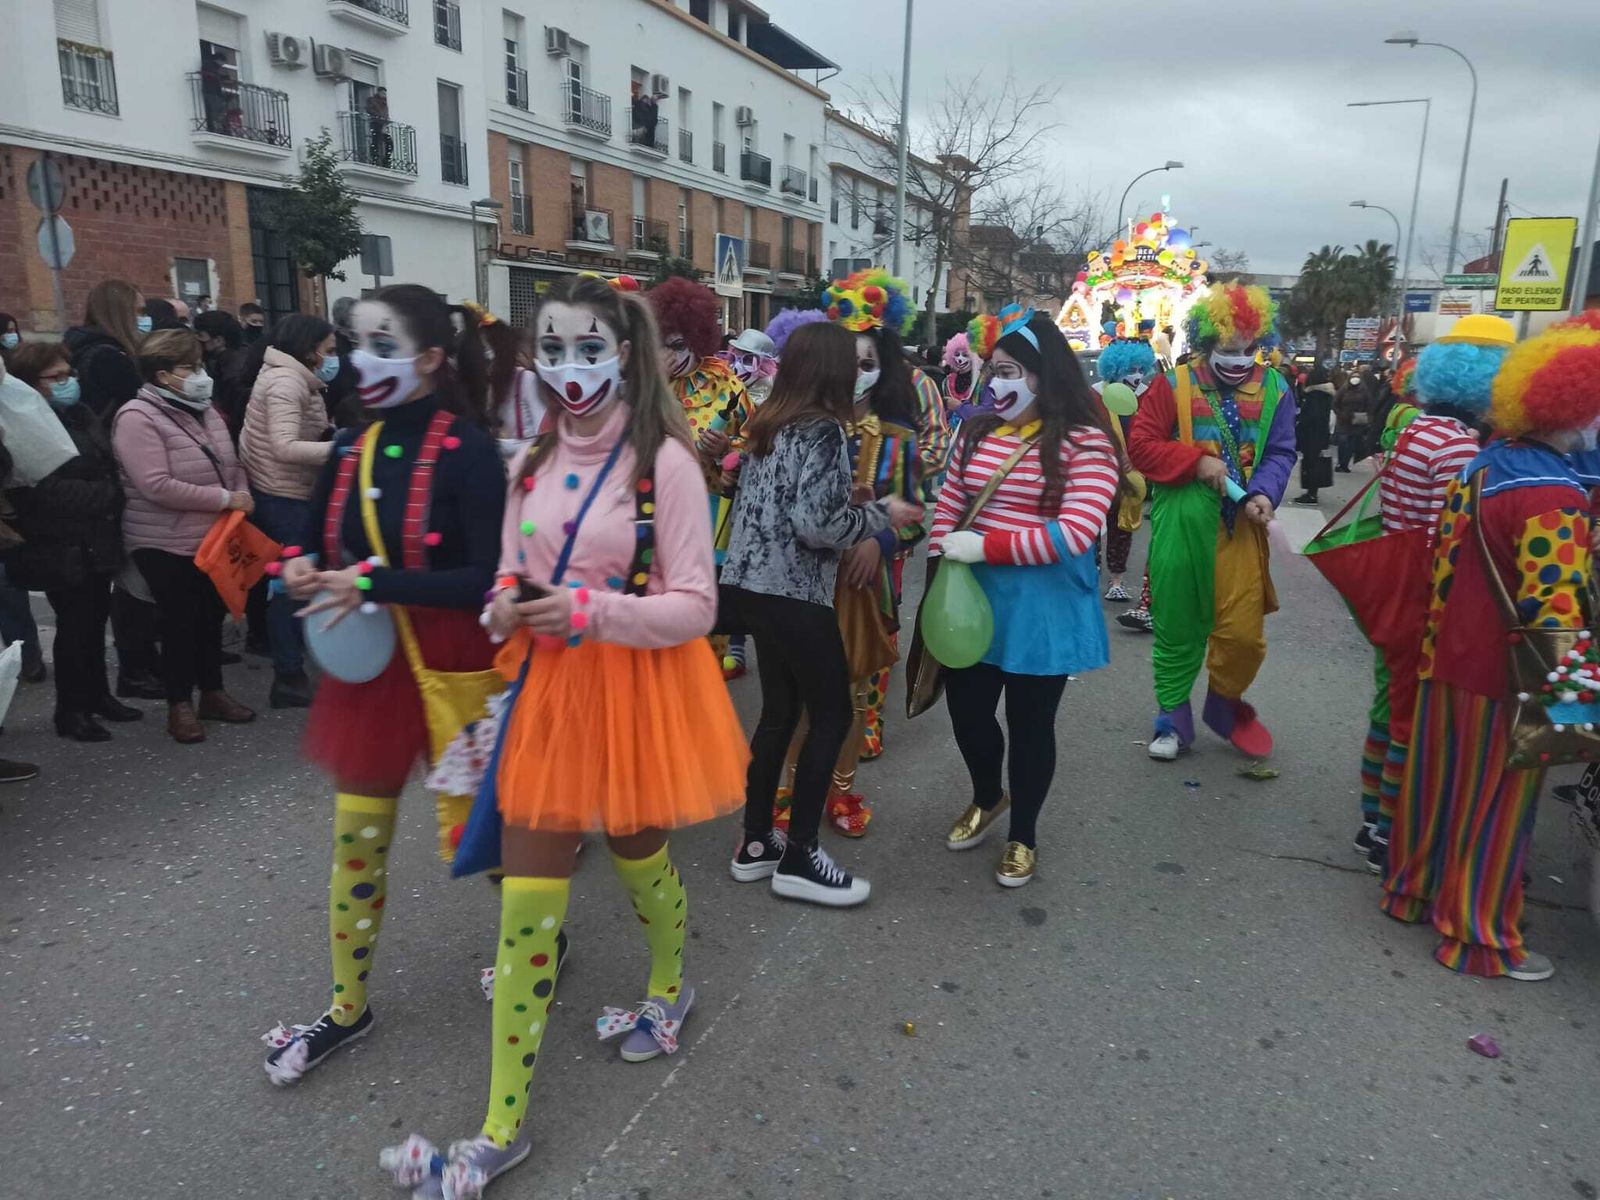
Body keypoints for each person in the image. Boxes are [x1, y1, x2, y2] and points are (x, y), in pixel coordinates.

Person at [379, 274, 748, 1198]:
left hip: (637, 695)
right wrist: (507, 605)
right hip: (548, 694)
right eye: (552, 350)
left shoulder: (666, 460)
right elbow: (506, 571)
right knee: (525, 907)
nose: (568, 368)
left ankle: (670, 984)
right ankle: (499, 1128)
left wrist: (583, 607)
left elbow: (696, 607)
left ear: (622, 355)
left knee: (636, 860)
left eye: (587, 349)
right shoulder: (529, 461)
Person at [262, 284, 505, 1087]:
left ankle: (542, 933)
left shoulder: (469, 453)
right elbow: (313, 540)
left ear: (432, 361)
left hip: (454, 666)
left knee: (485, 837)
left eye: (382, 344)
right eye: (353, 341)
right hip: (369, 672)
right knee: (357, 842)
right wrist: (300, 566)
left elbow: (485, 579)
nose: (358, 360)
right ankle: (346, 1006)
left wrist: (371, 582)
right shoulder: (349, 449)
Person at [1381, 314, 1600, 982]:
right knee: (1500, 809)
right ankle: (1479, 936)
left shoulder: (1485, 465)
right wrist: (1569, 715)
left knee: (1438, 788)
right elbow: (1554, 608)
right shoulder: (1555, 495)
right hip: (1506, 677)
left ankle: (1411, 891)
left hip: (1450, 657)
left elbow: (1445, 568)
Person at [721, 321, 920, 904]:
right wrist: (882, 513)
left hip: (751, 590)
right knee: (830, 714)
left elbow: (784, 506)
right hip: (796, 596)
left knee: (778, 715)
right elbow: (818, 527)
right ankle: (801, 855)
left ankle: (758, 842)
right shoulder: (824, 431)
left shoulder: (767, 423)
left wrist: (850, 503)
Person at [931, 309, 1120, 886]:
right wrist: (943, 559)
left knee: (1031, 725)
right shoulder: (977, 429)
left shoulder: (1088, 442)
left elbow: (1074, 535)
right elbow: (950, 501)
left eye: (1010, 370)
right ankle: (990, 796)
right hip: (972, 602)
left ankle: (1024, 834)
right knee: (967, 715)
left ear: (1043, 374)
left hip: (1044, 608)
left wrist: (984, 547)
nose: (995, 383)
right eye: (993, 371)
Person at [1336, 318, 1509, 876]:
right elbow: (1448, 535)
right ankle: (1389, 830)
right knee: (1410, 713)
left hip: (1396, 582)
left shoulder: (1418, 426)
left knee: (1390, 705)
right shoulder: (1458, 445)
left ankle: (1371, 820)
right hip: (1425, 595)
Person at [763, 269, 923, 836]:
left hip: (860, 588)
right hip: (799, 585)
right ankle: (784, 787)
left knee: (851, 695)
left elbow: (914, 507)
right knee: (794, 696)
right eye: (847, 363)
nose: (856, 375)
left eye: (868, 364)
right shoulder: (792, 429)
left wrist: (878, 541)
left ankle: (841, 790)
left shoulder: (898, 439)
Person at [1128, 283, 1296, 762]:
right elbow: (1141, 444)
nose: (1238, 357)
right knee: (1178, 624)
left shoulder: (1276, 388)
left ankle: (1224, 703)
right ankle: (1172, 717)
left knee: (1243, 634)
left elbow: (1282, 450)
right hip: (1183, 520)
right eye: (1227, 348)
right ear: (1207, 341)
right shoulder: (1174, 384)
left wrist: (1264, 491)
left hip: (1240, 528)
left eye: (1247, 347)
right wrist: (1194, 462)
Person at [112, 329, 255, 742]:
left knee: (210, 618)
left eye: (200, 365)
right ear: (161, 375)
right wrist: (226, 498)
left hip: (213, 535)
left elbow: (230, 460)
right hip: (164, 540)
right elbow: (155, 484)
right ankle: (180, 705)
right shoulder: (137, 417)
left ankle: (212, 692)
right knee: (179, 624)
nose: (200, 374)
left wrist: (240, 491)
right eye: (189, 367)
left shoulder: (204, 408)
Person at [5, 341, 140, 741]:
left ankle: (98, 695)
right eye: (56, 377)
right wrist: (107, 495)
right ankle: (71, 709)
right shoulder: (24, 427)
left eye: (70, 375)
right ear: (31, 385)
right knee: (75, 626)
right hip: (59, 539)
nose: (67, 383)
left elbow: (103, 465)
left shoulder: (80, 414)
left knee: (96, 618)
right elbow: (40, 490)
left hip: (97, 535)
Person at [239, 314, 338, 708]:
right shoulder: (285, 382)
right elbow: (284, 446)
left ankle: (293, 665)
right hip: (282, 494)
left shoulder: (297, 378)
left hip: (289, 490)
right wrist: (343, 450)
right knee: (293, 585)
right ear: (310, 349)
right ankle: (289, 674)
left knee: (295, 581)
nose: (334, 357)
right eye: (329, 350)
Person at [67, 280, 155, 692]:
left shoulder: (81, 347)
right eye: (138, 311)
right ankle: (135, 667)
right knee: (129, 580)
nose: (144, 319)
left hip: (96, 468)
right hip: (113, 471)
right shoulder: (112, 357)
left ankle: (116, 678)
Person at [1092, 337, 1156, 599]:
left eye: (1141, 369)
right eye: (1131, 370)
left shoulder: (1148, 396)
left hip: (1131, 474)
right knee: (1091, 523)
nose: (1137, 376)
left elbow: (1154, 434)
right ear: (1115, 369)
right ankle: (1090, 571)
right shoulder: (1095, 396)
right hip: (1098, 472)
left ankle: (1116, 581)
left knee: (1122, 527)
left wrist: (1138, 460)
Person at [194, 310, 252, 439]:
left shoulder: (233, 370)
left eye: (200, 335)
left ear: (218, 341)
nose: (196, 340)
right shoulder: (226, 361)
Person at [1291, 365, 1335, 505]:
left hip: (1311, 435)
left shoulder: (1315, 395)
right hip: (1319, 434)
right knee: (1313, 462)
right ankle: (1311, 492)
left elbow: (1312, 417)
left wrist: (1300, 423)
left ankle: (1311, 494)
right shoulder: (1325, 395)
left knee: (1310, 464)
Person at [1334, 367, 1370, 471]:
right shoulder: (1344, 390)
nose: (1355, 379)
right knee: (1343, 442)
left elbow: (1369, 405)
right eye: (1354, 377)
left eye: (1357, 377)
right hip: (1343, 420)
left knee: (1351, 443)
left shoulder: (1364, 391)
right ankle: (1340, 463)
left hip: (1357, 421)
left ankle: (1345, 464)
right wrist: (1340, 414)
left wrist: (1366, 416)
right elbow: (1336, 403)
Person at [365, 87, 392, 168]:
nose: (384, 95)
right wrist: (379, 116)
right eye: (383, 93)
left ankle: (386, 160)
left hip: (382, 125)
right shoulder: (372, 100)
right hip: (375, 123)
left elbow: (386, 114)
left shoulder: (385, 103)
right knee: (375, 142)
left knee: (389, 143)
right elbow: (369, 109)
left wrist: (386, 121)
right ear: (379, 92)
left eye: (385, 94)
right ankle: (375, 159)